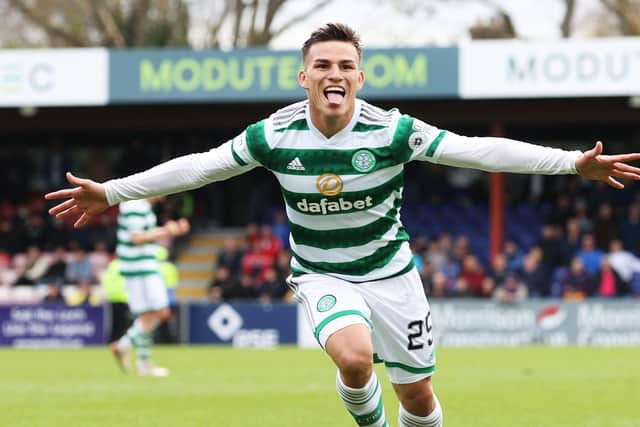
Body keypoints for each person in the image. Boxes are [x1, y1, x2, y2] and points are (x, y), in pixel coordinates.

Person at [44, 23, 640, 427]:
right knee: (354, 360)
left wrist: (569, 164)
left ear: (360, 77)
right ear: (303, 78)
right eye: (322, 64)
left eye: (346, 66)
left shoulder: (392, 132)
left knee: (420, 396)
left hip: (392, 274)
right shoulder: (272, 136)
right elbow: (200, 169)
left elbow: (478, 150)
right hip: (322, 272)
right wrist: (112, 193)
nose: (335, 72)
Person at [109, 196, 190, 377]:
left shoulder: (138, 205)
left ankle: (144, 363)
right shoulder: (135, 206)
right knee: (161, 312)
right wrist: (168, 231)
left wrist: (170, 230)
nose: (164, 196)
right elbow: (137, 238)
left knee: (145, 316)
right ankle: (123, 345)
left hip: (135, 266)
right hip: (142, 266)